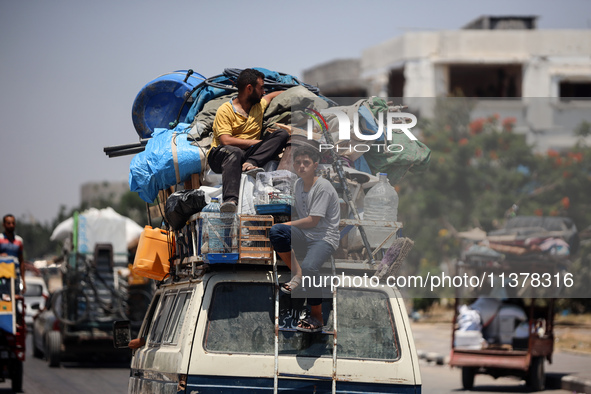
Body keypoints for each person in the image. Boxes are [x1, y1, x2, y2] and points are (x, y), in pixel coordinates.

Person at [269, 145, 340, 333]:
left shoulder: (323, 187)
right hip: (306, 235)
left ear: (315, 165)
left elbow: (312, 220)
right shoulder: (298, 184)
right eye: (298, 163)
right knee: (276, 232)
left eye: (306, 163)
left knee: (311, 267)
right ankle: (298, 275)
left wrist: (289, 225)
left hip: (324, 237)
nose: (301, 166)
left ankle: (317, 315)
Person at [208, 68, 289, 213]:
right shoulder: (225, 110)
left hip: (248, 154)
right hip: (221, 155)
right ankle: (230, 200)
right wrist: (258, 143)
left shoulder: (258, 106)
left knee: (282, 134)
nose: (263, 91)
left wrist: (294, 91)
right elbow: (225, 141)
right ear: (249, 88)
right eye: (261, 88)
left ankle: (251, 163)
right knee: (234, 152)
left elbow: (270, 96)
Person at [0, 214, 26, 293]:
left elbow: (21, 261)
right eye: (9, 223)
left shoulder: (19, 241)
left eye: (13, 223)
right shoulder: (0, 239)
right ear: (4, 224)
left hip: (15, 276)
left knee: (15, 298)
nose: (11, 225)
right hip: (2, 276)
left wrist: (23, 280)